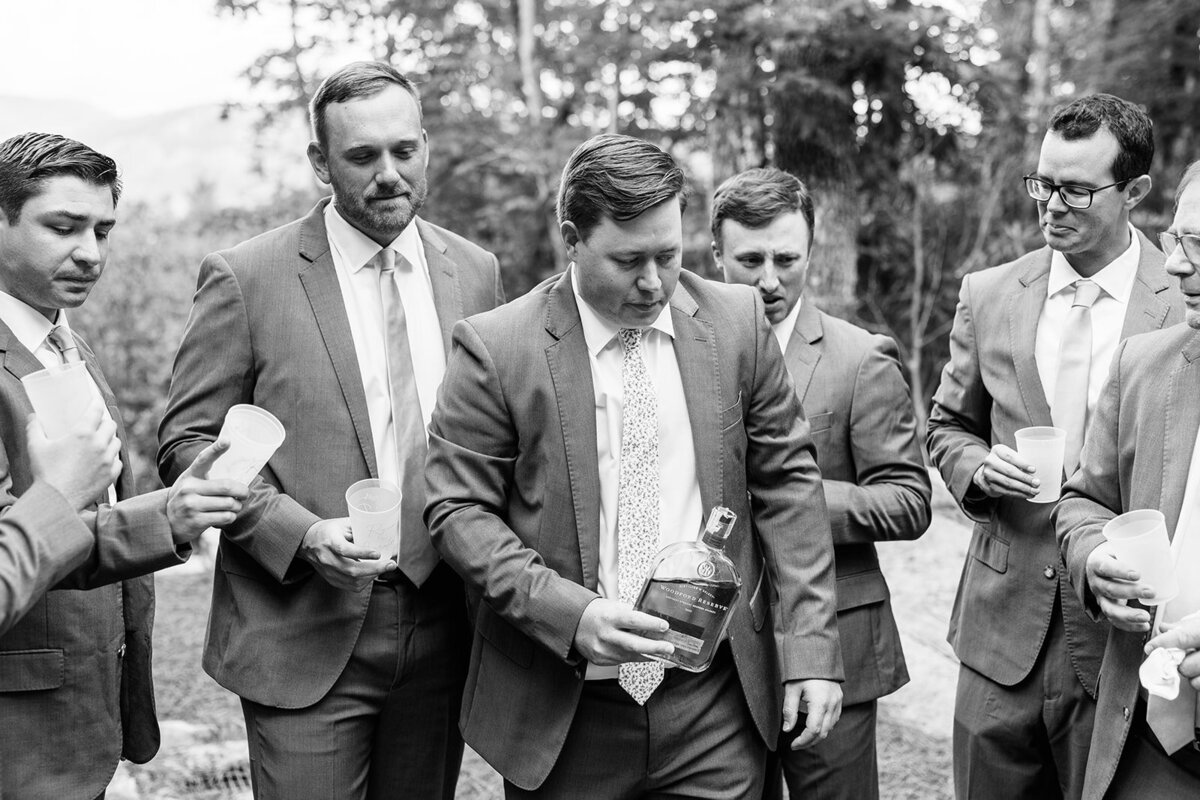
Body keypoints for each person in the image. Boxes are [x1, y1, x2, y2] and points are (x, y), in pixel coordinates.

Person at [424, 133, 843, 799]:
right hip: (565, 715)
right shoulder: (497, 349)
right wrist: (571, 614)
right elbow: (456, 512)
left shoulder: (736, 323)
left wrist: (813, 653)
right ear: (572, 237)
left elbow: (789, 485)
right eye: (628, 261)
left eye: (668, 256)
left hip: (716, 706)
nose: (653, 283)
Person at [157, 61, 505, 800]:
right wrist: (299, 533)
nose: (389, 175)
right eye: (361, 156)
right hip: (300, 630)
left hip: (444, 624)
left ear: (426, 147)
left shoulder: (475, 273)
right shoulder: (246, 277)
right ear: (320, 163)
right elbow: (186, 444)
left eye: (404, 151)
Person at [926, 93, 1184, 799]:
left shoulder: (1183, 300)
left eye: (1076, 189)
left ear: (1135, 191)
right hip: (998, 626)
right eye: (1042, 183)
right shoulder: (989, 294)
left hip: (1117, 634)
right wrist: (980, 468)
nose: (1051, 205)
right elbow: (946, 426)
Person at [0, 131, 248, 799]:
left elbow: (72, 529)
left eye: (103, 230)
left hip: (88, 718)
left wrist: (171, 512)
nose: (90, 252)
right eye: (63, 226)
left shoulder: (67, 345)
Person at [711, 167, 932, 800]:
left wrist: (786, 500)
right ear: (716, 253)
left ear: (812, 250)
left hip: (837, 642)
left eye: (787, 258)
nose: (769, 279)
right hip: (722, 647)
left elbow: (910, 501)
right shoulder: (685, 354)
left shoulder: (863, 357)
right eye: (749, 259)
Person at [1055, 160, 1200, 798]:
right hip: (1146, 740)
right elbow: (1083, 499)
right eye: (1175, 241)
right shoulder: (1145, 364)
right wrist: (1093, 558)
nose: (1174, 265)